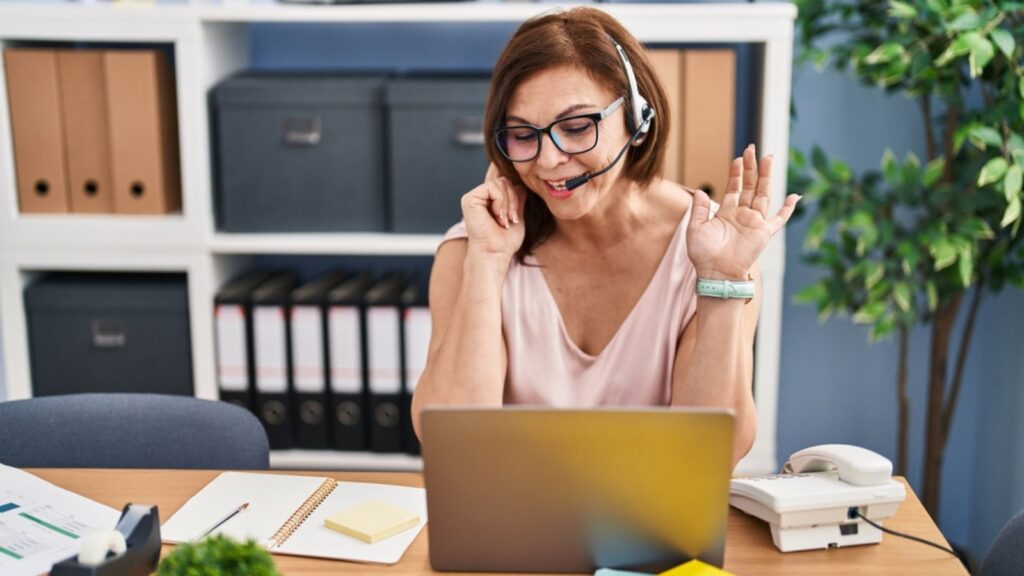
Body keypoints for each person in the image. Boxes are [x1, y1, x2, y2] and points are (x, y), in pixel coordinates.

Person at [410, 7, 799, 467]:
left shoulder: (714, 249)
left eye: (576, 128)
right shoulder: (473, 248)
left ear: (638, 119)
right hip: (514, 530)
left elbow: (715, 453)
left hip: (654, 524)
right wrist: (488, 260)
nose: (548, 160)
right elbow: (455, 442)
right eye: (522, 135)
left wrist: (721, 279)